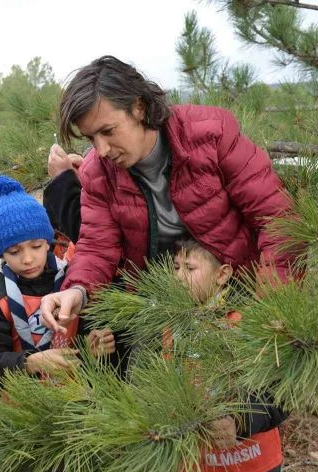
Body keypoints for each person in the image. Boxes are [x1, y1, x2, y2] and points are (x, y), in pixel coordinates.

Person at [40, 54, 298, 348]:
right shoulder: (98, 173)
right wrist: (77, 290)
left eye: (108, 131)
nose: (101, 150)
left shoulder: (211, 135)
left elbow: (278, 220)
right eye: (91, 138)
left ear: (139, 107)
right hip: (156, 310)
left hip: (238, 295)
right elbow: (97, 246)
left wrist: (268, 308)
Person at [0, 175, 115, 472]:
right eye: (14, 252)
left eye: (36, 246)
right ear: (1, 254)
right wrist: (32, 362)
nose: (27, 259)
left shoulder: (71, 283)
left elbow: (76, 344)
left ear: (49, 240)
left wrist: (93, 350)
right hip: (13, 416)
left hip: (63, 408)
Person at [149, 239, 286, 472]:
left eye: (190, 268)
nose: (179, 276)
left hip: (244, 466)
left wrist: (239, 420)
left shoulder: (249, 323)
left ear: (222, 274)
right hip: (187, 464)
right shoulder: (172, 323)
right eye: (175, 267)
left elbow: (280, 391)